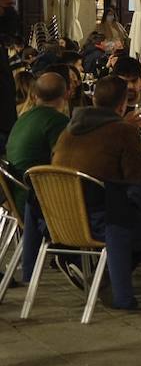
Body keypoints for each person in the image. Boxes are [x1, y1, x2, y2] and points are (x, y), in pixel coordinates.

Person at [50, 76, 141, 310]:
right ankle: (108, 280)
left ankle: (97, 274)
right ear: (121, 106)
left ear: (93, 99)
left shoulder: (68, 130)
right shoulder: (123, 132)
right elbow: (138, 180)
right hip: (99, 219)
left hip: (59, 216)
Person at [9, 71, 70, 283]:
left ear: (35, 95)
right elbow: (63, 161)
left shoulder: (25, 117)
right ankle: (70, 257)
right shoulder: (57, 121)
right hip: (36, 199)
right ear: (68, 93)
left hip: (18, 193)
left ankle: (35, 267)